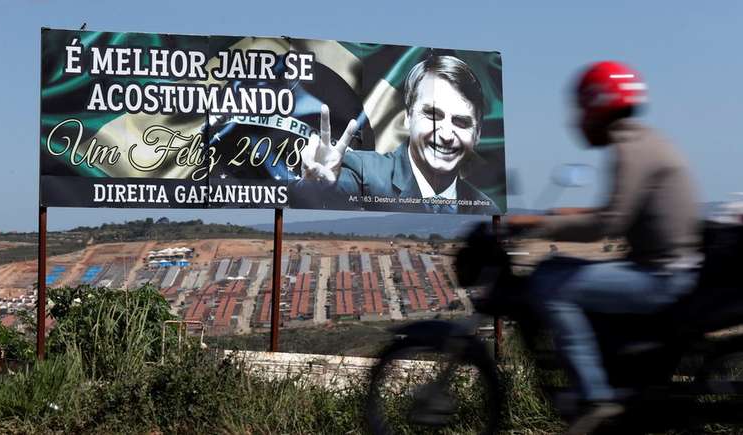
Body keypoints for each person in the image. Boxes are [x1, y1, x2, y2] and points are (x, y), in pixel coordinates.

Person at [509, 61, 701, 434]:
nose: (578, 120)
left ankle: (594, 399)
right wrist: (563, 214)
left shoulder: (630, 148)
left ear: (597, 106)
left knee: (552, 284)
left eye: (581, 109)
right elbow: (618, 211)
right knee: (558, 268)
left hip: (662, 277)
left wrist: (540, 224)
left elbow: (608, 224)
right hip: (666, 268)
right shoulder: (642, 140)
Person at [298, 55, 501, 215]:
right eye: (432, 116)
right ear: (407, 118)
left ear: (477, 134)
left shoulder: (485, 208)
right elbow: (321, 199)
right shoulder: (362, 171)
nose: (447, 135)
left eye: (461, 122)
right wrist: (314, 188)